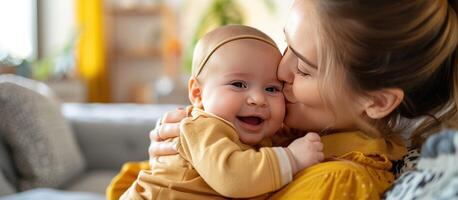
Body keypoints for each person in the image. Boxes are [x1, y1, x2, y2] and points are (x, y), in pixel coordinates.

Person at [108, 0, 458, 199]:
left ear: (379, 102)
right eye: (286, 43)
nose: (280, 69)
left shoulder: (334, 184)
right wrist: (180, 151)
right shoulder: (298, 134)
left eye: (304, 69)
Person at [118, 25, 324, 200]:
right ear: (198, 93)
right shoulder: (201, 127)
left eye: (271, 89)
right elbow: (233, 177)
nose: (258, 99)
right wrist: (291, 158)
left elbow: (273, 144)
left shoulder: (258, 135)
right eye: (238, 84)